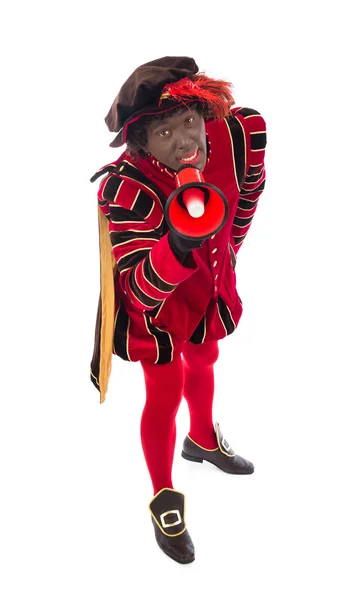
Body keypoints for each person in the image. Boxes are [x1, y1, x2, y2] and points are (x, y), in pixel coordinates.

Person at [89, 56, 267, 564]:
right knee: (164, 391)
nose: (185, 141)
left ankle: (204, 440)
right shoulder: (124, 189)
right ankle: (165, 495)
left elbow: (247, 198)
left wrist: (226, 252)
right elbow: (140, 290)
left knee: (206, 358)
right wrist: (180, 243)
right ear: (142, 144)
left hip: (207, 288)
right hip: (159, 306)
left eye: (189, 123)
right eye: (164, 134)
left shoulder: (233, 139)